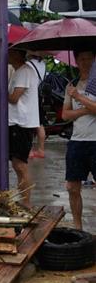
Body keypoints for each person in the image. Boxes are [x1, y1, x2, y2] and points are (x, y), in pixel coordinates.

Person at [63, 49, 96, 230]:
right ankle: (78, 226)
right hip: (77, 141)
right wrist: (84, 109)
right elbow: (65, 114)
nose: (86, 62)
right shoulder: (72, 85)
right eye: (82, 59)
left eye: (90, 58)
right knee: (72, 187)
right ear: (76, 61)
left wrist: (79, 97)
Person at [7, 48, 39, 208]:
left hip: (22, 124)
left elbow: (13, 98)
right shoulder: (18, 71)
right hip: (16, 123)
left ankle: (26, 201)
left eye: (10, 52)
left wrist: (0, 91)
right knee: (16, 164)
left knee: (20, 164)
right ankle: (23, 199)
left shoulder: (24, 71)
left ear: (17, 54)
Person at [27, 53, 47, 160]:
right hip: (39, 96)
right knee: (40, 123)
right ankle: (41, 150)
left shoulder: (28, 64)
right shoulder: (43, 64)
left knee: (29, 123)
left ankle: (29, 150)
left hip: (30, 95)